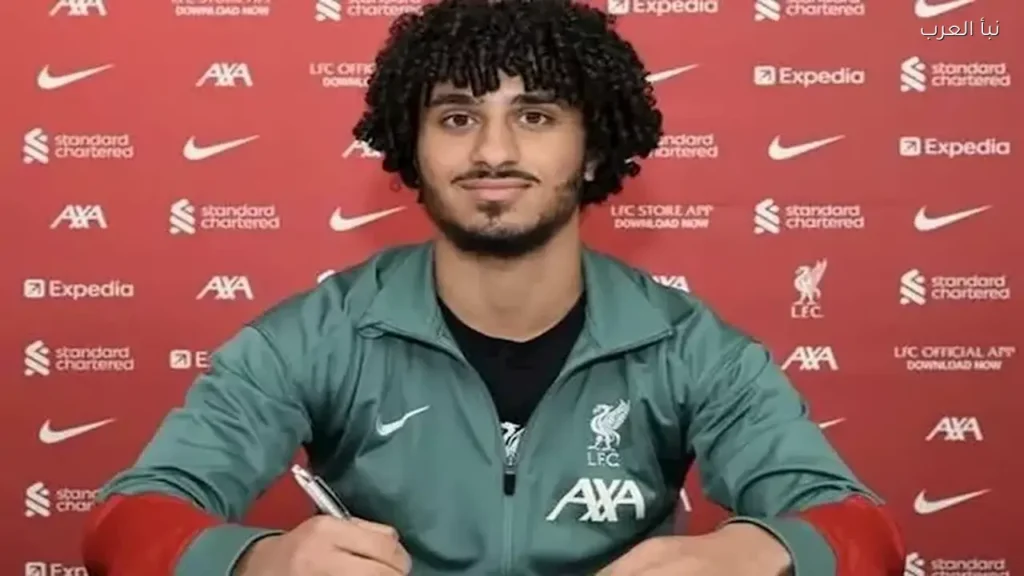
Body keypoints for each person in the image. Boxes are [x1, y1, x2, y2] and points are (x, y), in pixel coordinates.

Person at [81, 0, 906, 574]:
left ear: (592, 149)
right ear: (412, 148)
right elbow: (126, 523)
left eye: (536, 116)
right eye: (457, 117)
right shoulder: (318, 336)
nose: (493, 151)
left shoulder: (688, 348)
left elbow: (865, 534)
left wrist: (753, 552)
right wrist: (257, 561)